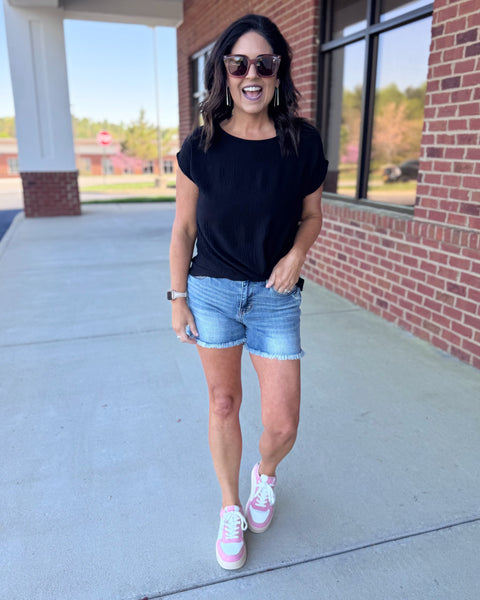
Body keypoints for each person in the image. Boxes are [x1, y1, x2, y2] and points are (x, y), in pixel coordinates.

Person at [169, 14, 328, 570]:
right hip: (211, 292)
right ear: (224, 72)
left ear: (279, 71)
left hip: (273, 297)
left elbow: (312, 216)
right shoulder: (201, 145)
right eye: (239, 64)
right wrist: (177, 298)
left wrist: (296, 255)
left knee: (282, 424)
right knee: (223, 403)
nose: (252, 75)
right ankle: (230, 506)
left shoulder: (301, 142)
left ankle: (265, 474)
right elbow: (183, 229)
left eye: (264, 63)